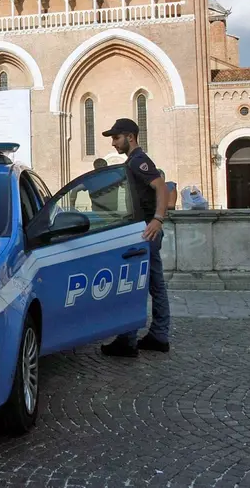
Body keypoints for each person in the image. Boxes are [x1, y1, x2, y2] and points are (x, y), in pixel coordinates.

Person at [99, 118, 170, 357]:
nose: (113, 143)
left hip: (145, 231)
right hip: (142, 230)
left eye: (116, 138)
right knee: (151, 283)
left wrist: (158, 219)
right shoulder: (132, 161)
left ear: (130, 137)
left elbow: (162, 186)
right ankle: (157, 335)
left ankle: (129, 339)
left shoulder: (139, 161)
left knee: (134, 284)